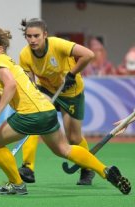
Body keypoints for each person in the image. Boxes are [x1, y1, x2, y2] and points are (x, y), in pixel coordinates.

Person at [0, 26, 131, 195]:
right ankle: (105, 171)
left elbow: (10, 85)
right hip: (46, 110)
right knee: (64, 149)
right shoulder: (9, 63)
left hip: (30, 113)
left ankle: (17, 184)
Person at [17, 18, 96, 185]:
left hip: (70, 92)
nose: (32, 40)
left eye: (36, 36)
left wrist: (72, 74)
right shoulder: (25, 55)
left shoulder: (57, 44)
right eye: (29, 36)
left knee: (73, 138)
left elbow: (88, 55)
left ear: (45, 35)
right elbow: (30, 83)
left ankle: (87, 168)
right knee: (35, 119)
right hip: (46, 90)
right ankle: (27, 167)